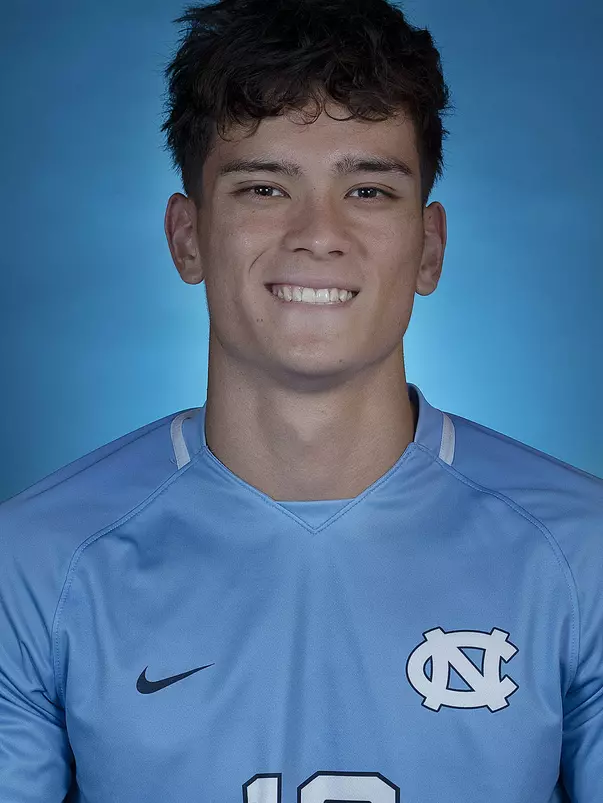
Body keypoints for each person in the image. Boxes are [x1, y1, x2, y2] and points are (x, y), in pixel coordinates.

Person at [1, 0, 601, 800]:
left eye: (367, 190)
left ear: (428, 248)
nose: (318, 234)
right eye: (263, 188)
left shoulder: (582, 556)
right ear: (187, 237)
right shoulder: (34, 565)